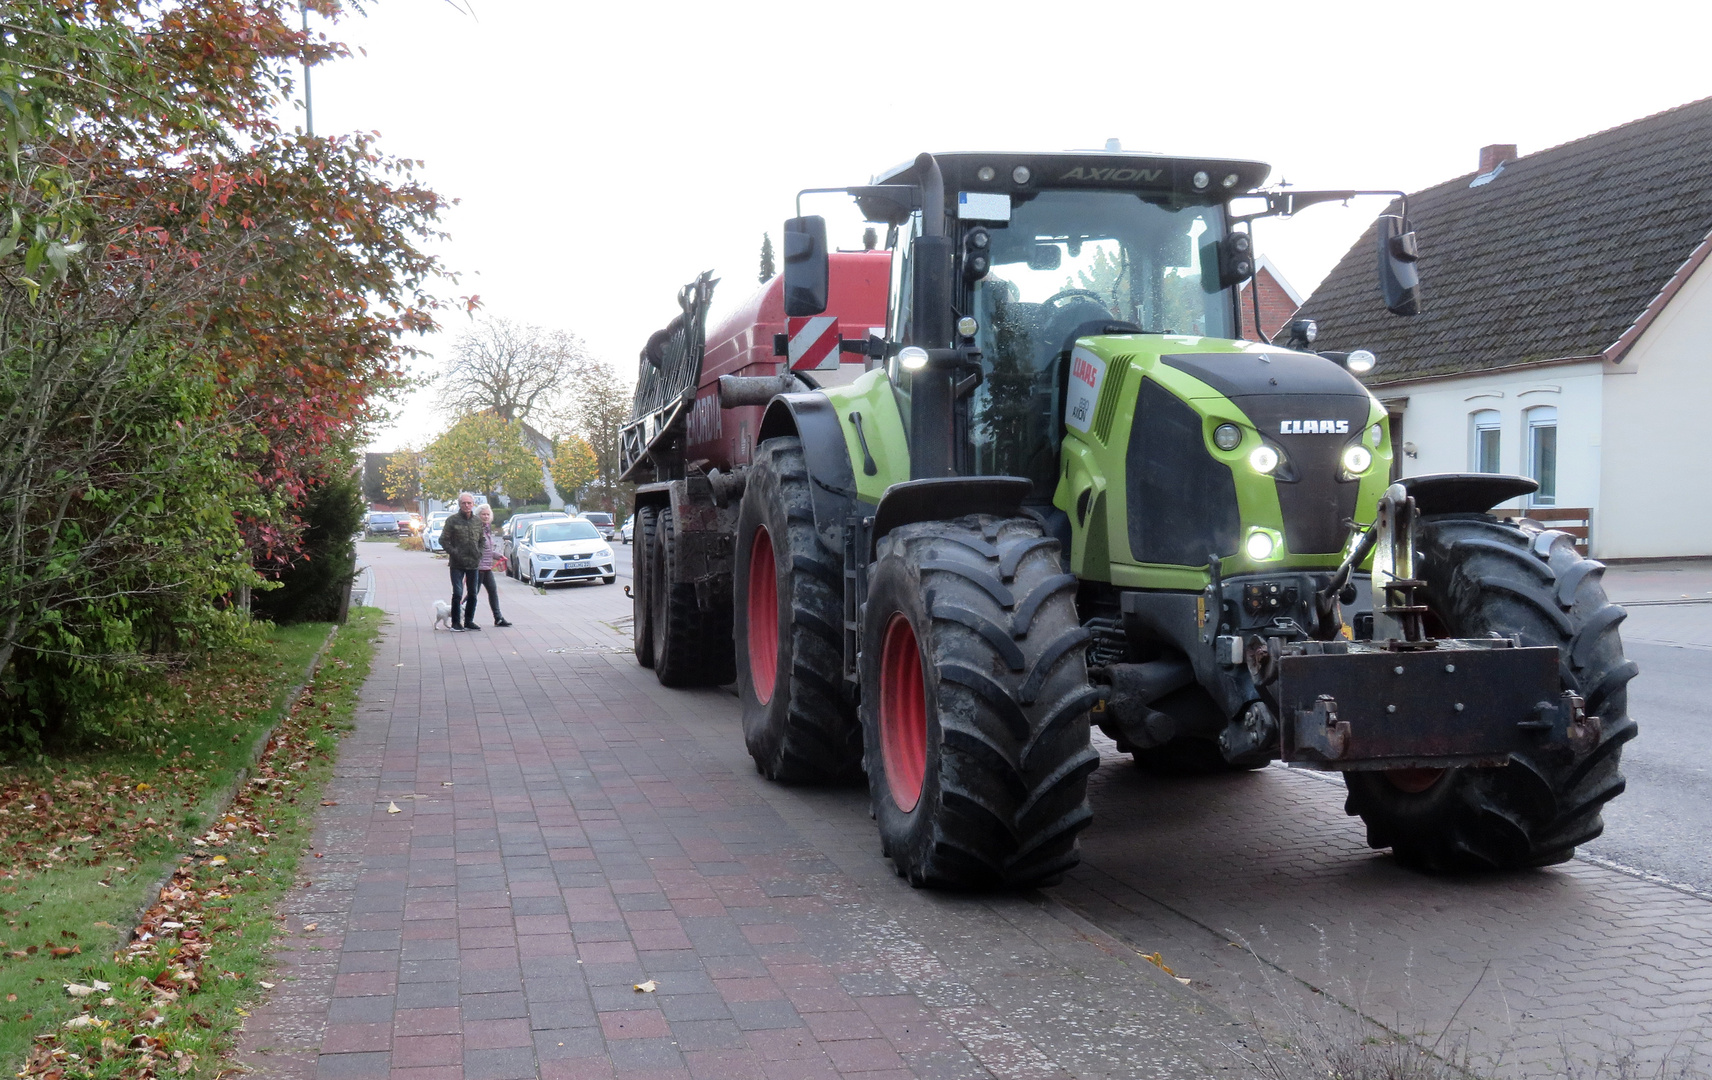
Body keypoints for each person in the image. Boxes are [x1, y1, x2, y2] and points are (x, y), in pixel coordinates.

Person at [440, 492, 483, 631]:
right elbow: (443, 540)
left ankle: (469, 620)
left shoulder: (477, 521)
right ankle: (456, 623)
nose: (466, 505)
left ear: (473, 504)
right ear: (459, 504)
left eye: (469, 503)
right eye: (464, 503)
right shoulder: (452, 520)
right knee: (458, 593)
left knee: (472, 594)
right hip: (457, 564)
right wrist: (454, 552)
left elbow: (482, 540)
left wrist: (479, 553)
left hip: (473, 563)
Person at [475, 504, 512, 627]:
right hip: (478, 567)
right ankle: (462, 616)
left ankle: (498, 618)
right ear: (478, 515)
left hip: (487, 567)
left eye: (487, 514)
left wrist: (498, 556)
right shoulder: (477, 529)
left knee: (493, 591)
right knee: (473, 594)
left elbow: (487, 550)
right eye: (483, 514)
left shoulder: (487, 528)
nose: (486, 516)